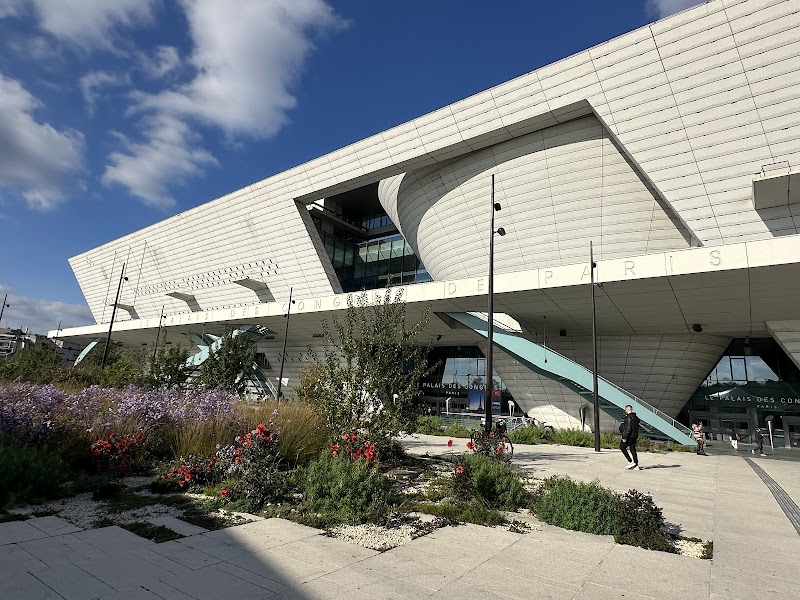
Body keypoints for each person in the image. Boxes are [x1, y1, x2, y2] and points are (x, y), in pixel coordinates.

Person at [619, 405, 641, 470]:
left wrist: (624, 437)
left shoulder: (628, 417)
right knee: (632, 449)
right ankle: (636, 465)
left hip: (629, 436)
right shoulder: (636, 418)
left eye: (625, 410)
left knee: (622, 447)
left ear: (627, 410)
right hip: (635, 436)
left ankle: (630, 461)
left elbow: (628, 429)